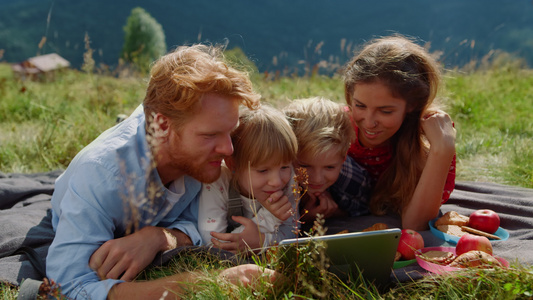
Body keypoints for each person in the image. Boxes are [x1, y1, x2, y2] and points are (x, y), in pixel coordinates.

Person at [45, 44, 269, 300]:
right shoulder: (103, 177)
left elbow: (197, 224)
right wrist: (207, 282)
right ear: (162, 124)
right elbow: (67, 288)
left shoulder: (198, 157)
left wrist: (159, 238)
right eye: (210, 135)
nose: (228, 150)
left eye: (230, 131)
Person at [342, 35, 457, 230]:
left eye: (385, 111)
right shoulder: (337, 128)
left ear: (412, 105)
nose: (369, 123)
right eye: (360, 105)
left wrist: (442, 150)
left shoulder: (431, 140)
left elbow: (415, 224)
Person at [198, 104, 299, 254]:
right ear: (233, 164)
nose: (277, 182)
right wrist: (269, 218)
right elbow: (213, 244)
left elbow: (293, 233)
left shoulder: (290, 182)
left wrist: (261, 241)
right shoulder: (218, 181)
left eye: (285, 167)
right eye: (263, 170)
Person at [282, 97, 371, 223]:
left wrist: (336, 213)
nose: (317, 179)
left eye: (330, 167)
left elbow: (363, 214)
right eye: (305, 165)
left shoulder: (353, 181)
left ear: (343, 158)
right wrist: (304, 219)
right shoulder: (276, 180)